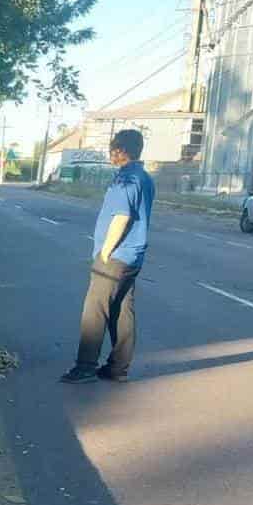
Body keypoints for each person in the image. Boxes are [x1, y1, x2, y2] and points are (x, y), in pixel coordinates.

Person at [60, 129, 154, 384]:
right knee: (122, 310)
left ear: (122, 150)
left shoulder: (127, 179)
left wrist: (104, 252)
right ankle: (118, 367)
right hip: (133, 256)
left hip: (116, 257)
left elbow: (121, 217)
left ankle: (85, 366)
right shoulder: (143, 177)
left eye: (113, 148)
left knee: (95, 309)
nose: (111, 153)